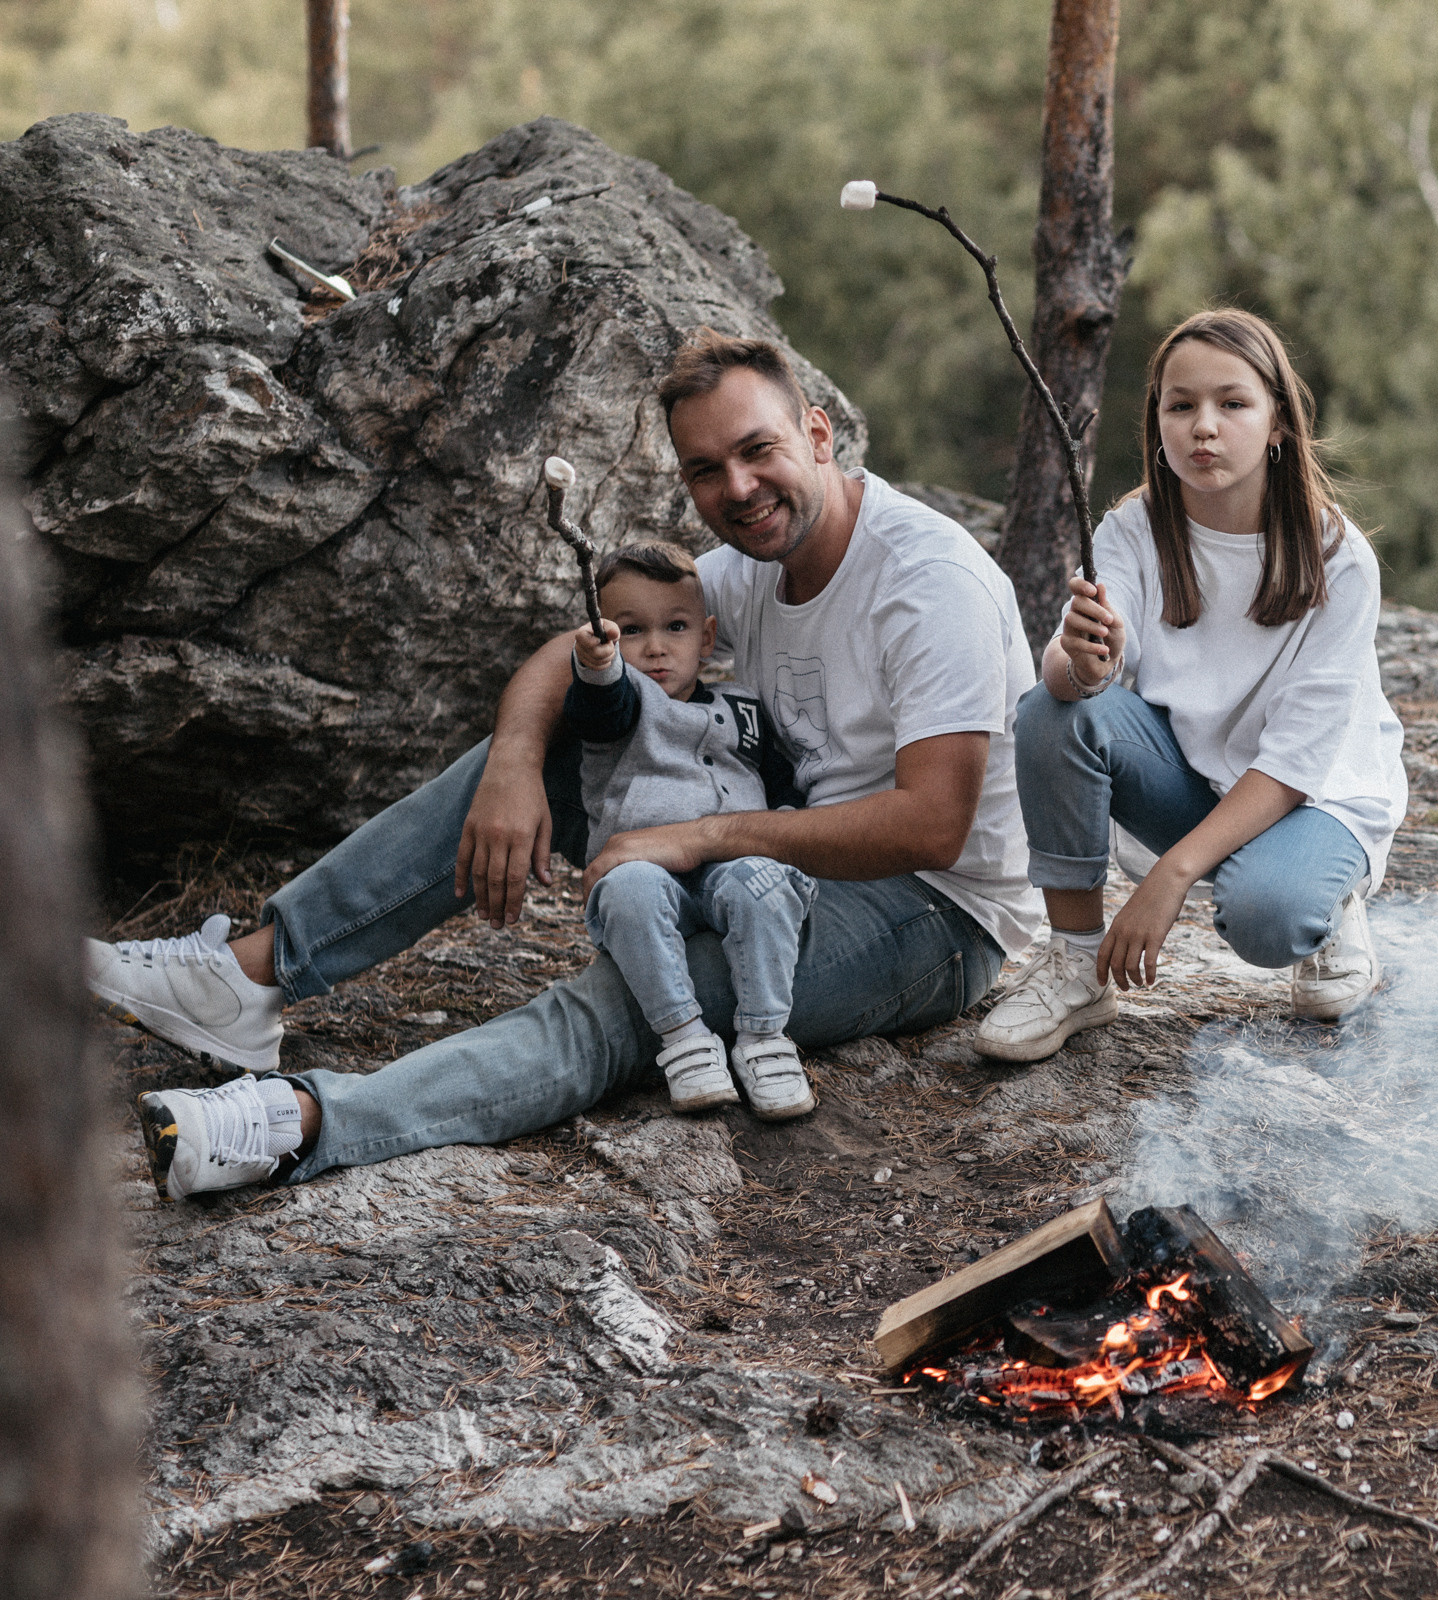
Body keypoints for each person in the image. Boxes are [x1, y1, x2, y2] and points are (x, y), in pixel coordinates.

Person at [88, 330, 1043, 1201]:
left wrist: (697, 836)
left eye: (759, 450)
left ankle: (298, 1123)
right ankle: (249, 977)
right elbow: (582, 647)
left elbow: (932, 825)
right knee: (563, 735)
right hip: (772, 856)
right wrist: (513, 763)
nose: (740, 488)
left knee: (643, 999)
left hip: (931, 911)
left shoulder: (928, 583)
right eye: (706, 470)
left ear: (819, 434)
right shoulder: (751, 564)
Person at [974, 308, 1406, 1063]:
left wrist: (1171, 876)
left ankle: (1330, 901)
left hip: (1312, 796)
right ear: (1158, 422)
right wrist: (1083, 663)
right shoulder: (1132, 531)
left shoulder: (1338, 560)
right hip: (1193, 778)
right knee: (1051, 712)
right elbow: (1066, 684)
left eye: (1232, 403)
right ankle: (1077, 964)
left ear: (1278, 421)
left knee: (1268, 920)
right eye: (1181, 406)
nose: (1204, 427)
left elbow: (1297, 762)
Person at [561, 539, 815, 1121]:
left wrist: (786, 827)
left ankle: (764, 1037)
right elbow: (596, 710)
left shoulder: (744, 706)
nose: (655, 648)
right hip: (647, 870)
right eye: (632, 631)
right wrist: (598, 667)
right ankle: (684, 1040)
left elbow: (778, 780)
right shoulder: (626, 703)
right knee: (629, 891)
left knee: (764, 885)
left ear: (706, 637)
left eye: (675, 627)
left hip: (736, 860)